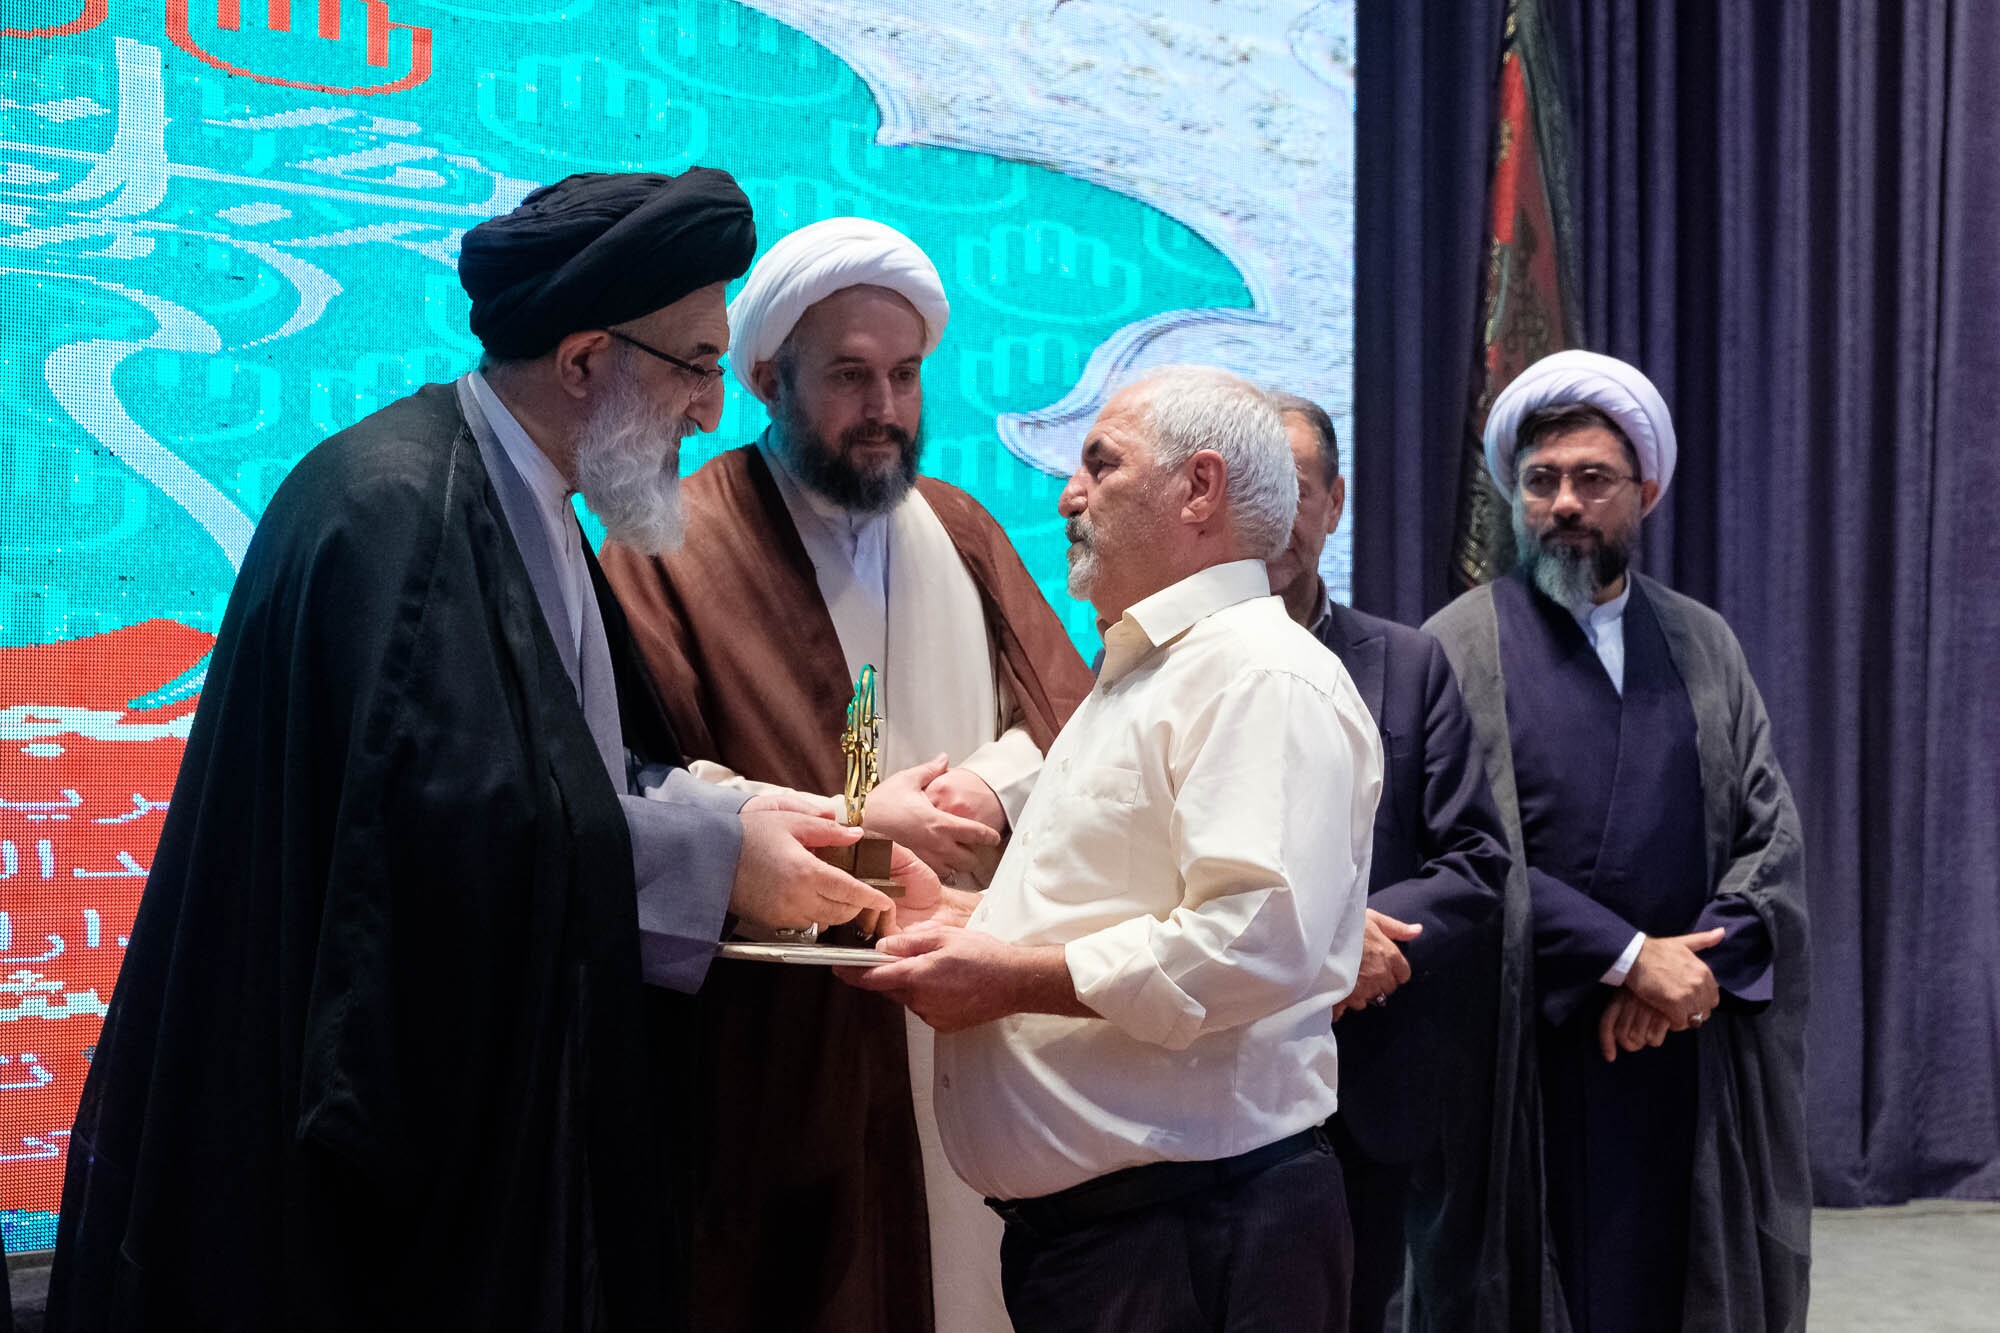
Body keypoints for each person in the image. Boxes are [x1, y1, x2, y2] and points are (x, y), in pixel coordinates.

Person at [46, 171, 902, 1333]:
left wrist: (739, 818)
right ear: (585, 360)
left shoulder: (514, 492)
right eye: (698, 365)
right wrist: (717, 864)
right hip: (345, 1219)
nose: (712, 412)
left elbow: (563, 769)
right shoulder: (399, 514)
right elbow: (432, 864)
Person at [600, 216, 1092, 1333]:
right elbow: (631, 783)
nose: (883, 407)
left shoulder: (959, 527)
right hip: (779, 1051)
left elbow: (1072, 726)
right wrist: (858, 824)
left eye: (904, 376)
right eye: (849, 376)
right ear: (767, 379)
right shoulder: (669, 545)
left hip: (963, 999)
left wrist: (992, 791)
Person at [843, 366, 1383, 1332]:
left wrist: (1009, 978)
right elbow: (1119, 904)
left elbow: (1248, 943)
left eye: (1101, 463)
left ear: (1199, 488)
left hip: (1199, 1241)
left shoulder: (1261, 675)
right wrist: (967, 918)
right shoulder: (1144, 672)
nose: (1068, 494)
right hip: (1129, 1246)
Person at [1425, 350, 1811, 1332]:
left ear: (1644, 491)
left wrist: (1685, 975)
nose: (1563, 503)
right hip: (1528, 1049)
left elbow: (1768, 839)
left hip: (1680, 1041)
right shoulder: (1455, 647)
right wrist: (1627, 957)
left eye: (1591, 479)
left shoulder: (1703, 642)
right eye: (1540, 481)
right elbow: (1461, 852)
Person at [1265, 393, 1510, 1333]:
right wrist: (1321, 939)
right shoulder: (1163, 665)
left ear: (1335, 502)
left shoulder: (1409, 665)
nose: (1275, 512)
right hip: (1211, 1081)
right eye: (1253, 486)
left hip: (1366, 1076)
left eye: (1296, 488)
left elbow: (1475, 858)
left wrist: (1367, 939)